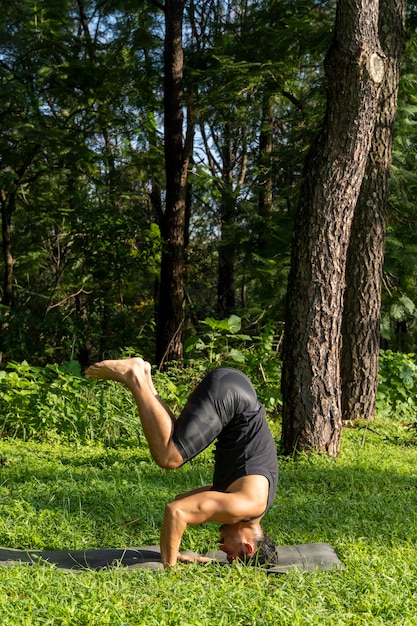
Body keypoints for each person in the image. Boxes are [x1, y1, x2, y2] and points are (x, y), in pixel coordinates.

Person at [85, 358, 278, 568]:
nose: (222, 550)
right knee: (169, 456)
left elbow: (183, 500)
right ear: (248, 546)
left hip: (233, 388)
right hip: (230, 397)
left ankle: (144, 377)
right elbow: (176, 511)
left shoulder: (251, 503)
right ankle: (135, 376)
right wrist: (170, 567)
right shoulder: (244, 506)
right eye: (230, 555)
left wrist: (177, 551)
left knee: (173, 443)